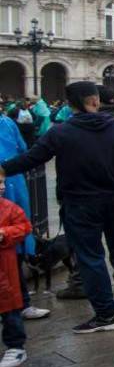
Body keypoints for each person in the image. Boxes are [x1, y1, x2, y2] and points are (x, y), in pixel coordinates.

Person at [0, 81, 114, 333]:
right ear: (95, 100)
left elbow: (31, 158)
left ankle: (106, 314)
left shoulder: (60, 132)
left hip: (80, 203)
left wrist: (3, 169)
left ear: (70, 105)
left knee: (90, 257)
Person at [0, 113, 49, 321]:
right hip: (12, 184)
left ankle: (21, 303)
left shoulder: (6, 122)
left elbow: (22, 151)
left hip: (11, 188)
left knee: (14, 251)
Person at [0, 178, 32, 367]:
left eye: (2, 181)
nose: (1, 186)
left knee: (10, 309)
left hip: (5, 269)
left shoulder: (9, 208)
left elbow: (25, 227)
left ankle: (15, 345)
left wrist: (5, 233)